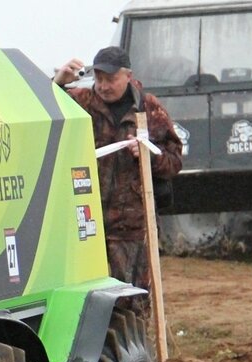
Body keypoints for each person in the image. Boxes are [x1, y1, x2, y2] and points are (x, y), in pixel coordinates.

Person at [53, 46, 182, 317]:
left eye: (110, 79)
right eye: (98, 78)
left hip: (133, 228)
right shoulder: (79, 101)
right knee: (93, 306)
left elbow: (174, 161)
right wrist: (58, 82)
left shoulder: (148, 109)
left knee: (135, 304)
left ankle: (139, 353)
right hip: (88, 225)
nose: (103, 86)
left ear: (128, 76)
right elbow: (40, 111)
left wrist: (149, 157)